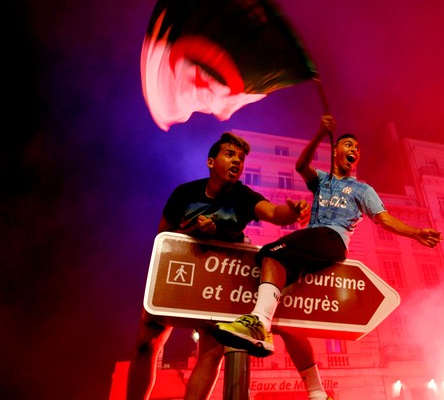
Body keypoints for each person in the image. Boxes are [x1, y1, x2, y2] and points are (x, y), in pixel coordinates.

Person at [213, 114, 443, 400]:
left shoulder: (362, 189)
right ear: (336, 151)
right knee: (288, 321)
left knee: (270, 253)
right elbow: (300, 166)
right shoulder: (321, 181)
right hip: (314, 244)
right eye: (348, 145)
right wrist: (321, 133)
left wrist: (415, 232)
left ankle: (259, 321)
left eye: (357, 149)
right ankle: (317, 392)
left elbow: (383, 219)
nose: (354, 151)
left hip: (332, 240)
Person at [126, 132, 310, 400]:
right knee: (146, 345)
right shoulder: (185, 193)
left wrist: (292, 212)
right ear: (211, 162)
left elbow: (272, 213)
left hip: (218, 286)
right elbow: (162, 237)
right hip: (178, 278)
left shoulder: (243, 196)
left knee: (212, 353)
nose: (237, 161)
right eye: (229, 154)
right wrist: (192, 232)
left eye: (241, 158)